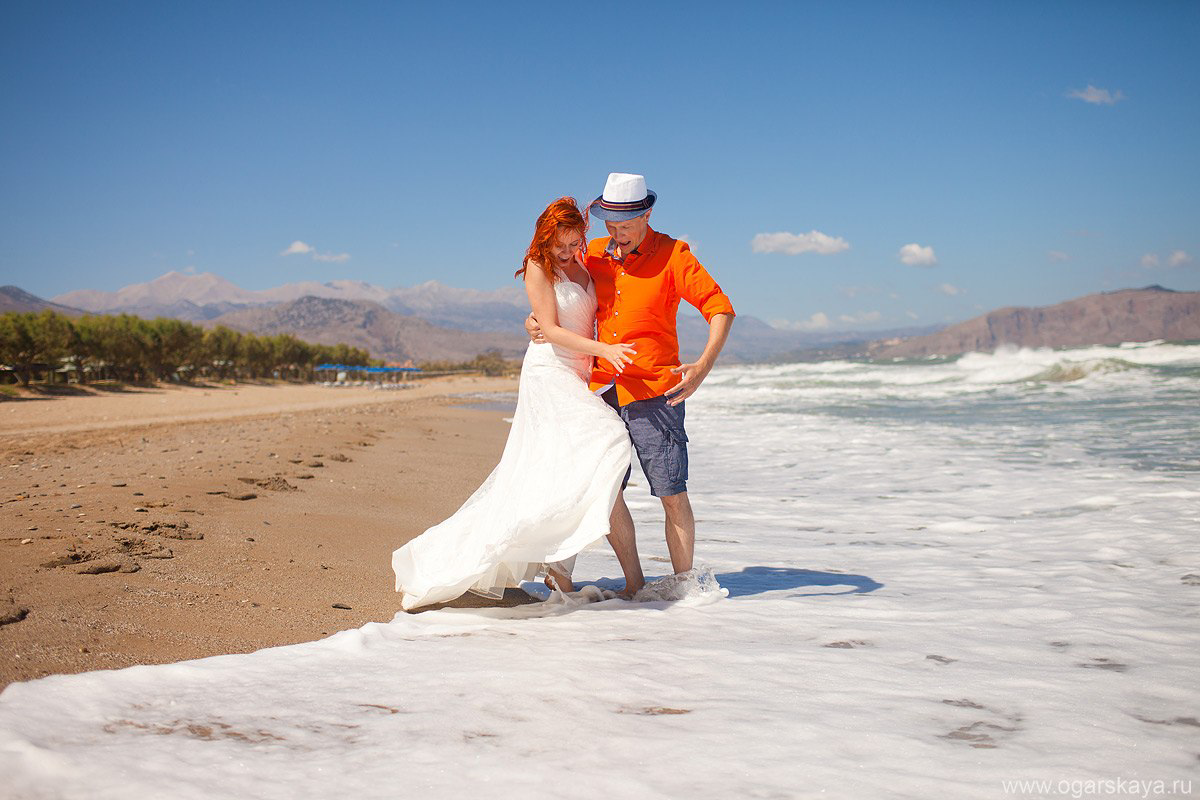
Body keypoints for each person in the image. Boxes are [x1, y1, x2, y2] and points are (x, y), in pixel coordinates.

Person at [392, 197, 635, 610]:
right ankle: (601, 576)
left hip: (578, 375)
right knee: (609, 440)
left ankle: (560, 571)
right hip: (549, 372)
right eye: (560, 243)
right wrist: (604, 349)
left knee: (567, 469)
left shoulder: (587, 260)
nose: (567, 251)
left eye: (574, 242)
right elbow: (552, 331)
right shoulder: (539, 267)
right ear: (545, 235)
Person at [527, 173, 735, 596]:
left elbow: (720, 308)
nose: (616, 235)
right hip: (600, 390)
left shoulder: (676, 254)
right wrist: (535, 321)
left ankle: (683, 590)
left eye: (625, 226)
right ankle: (628, 583)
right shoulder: (596, 252)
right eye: (610, 225)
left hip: (656, 391)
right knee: (602, 489)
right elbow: (558, 292)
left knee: (671, 492)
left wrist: (703, 365)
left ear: (647, 215)